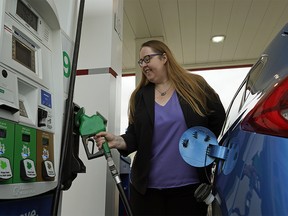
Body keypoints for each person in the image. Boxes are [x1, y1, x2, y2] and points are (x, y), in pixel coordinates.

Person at [95, 40, 226, 215]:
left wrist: (201, 146)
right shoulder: (139, 97)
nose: (144, 65)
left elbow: (218, 118)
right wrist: (118, 140)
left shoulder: (195, 85)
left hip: (190, 190)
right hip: (146, 192)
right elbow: (134, 136)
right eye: (141, 61)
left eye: (147, 59)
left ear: (164, 57)